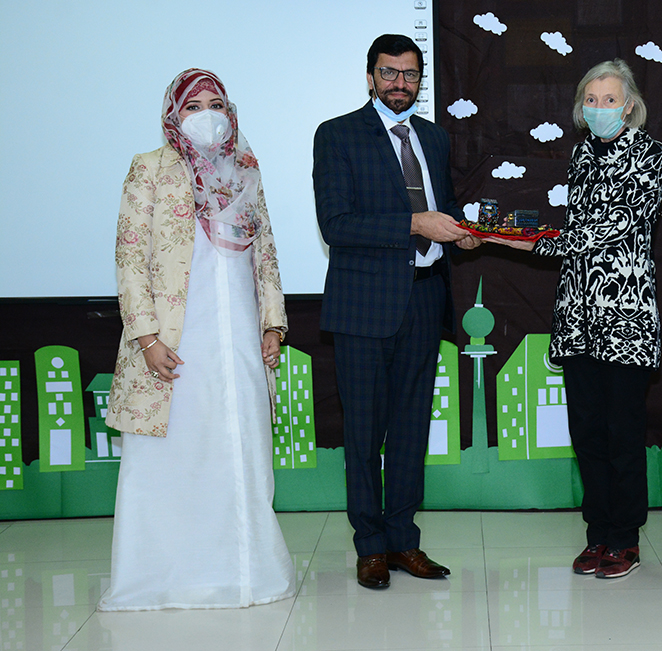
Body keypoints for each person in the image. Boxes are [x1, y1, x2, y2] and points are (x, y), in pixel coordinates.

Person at [100, 68, 295, 610]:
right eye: (193, 106)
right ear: (173, 115)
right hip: (174, 342)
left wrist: (272, 323)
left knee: (239, 449)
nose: (206, 114)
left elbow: (266, 252)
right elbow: (129, 256)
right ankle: (164, 578)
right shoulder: (150, 167)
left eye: (216, 104)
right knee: (173, 457)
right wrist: (146, 337)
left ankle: (246, 574)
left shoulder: (245, 169)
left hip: (239, 338)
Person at [487, 59, 662, 578]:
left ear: (629, 106)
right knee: (586, 432)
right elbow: (579, 232)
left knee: (622, 433)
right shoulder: (582, 153)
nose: (599, 108)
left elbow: (612, 228)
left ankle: (625, 538)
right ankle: (597, 535)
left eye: (609, 99)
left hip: (626, 316)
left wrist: (526, 242)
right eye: (591, 99)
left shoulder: (651, 155)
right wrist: (518, 236)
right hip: (577, 316)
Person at [313, 34, 480, 589]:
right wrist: (414, 223)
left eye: (410, 74)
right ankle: (370, 547)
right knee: (364, 434)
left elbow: (442, 207)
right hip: (364, 306)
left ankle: (404, 540)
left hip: (426, 296)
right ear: (370, 77)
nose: (399, 83)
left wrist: (461, 231)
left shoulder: (433, 137)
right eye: (389, 73)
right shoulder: (337, 135)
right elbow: (336, 224)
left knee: (411, 429)